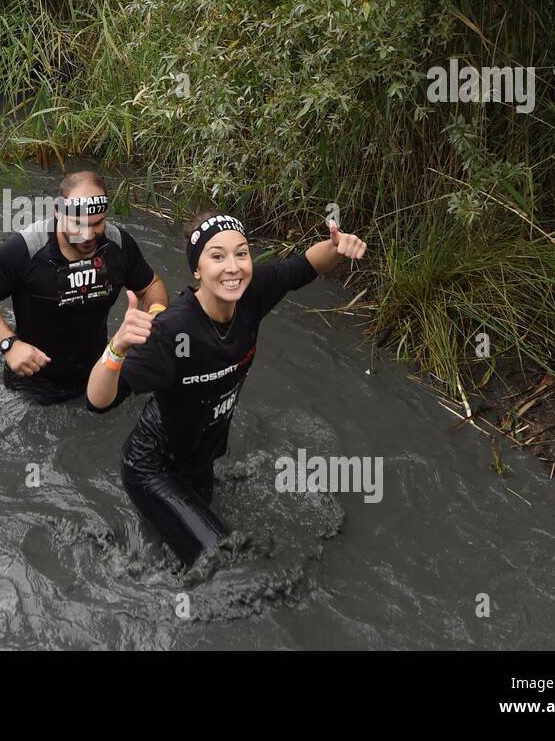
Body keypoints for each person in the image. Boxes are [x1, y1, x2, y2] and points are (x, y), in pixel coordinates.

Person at [86, 213, 368, 567]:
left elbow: (305, 266)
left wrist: (336, 246)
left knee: (173, 544)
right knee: (225, 562)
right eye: (217, 256)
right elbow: (98, 401)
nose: (233, 267)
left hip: (200, 461)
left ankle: (143, 544)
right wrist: (116, 348)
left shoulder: (253, 294)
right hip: (152, 466)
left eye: (242, 253)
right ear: (197, 270)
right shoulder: (172, 332)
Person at [0, 172, 167, 405]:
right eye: (77, 224)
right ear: (58, 212)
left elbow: (151, 285)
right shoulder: (26, 248)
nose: (88, 235)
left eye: (97, 223)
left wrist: (156, 317)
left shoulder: (118, 244)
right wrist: (9, 345)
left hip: (97, 374)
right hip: (33, 382)